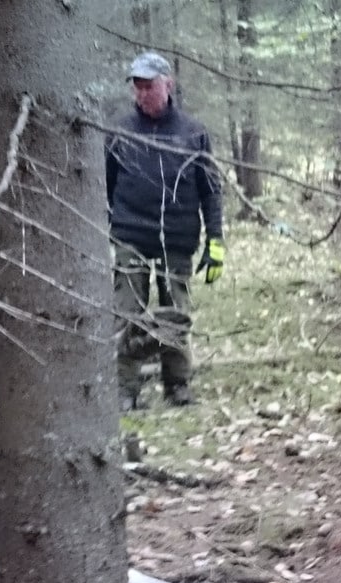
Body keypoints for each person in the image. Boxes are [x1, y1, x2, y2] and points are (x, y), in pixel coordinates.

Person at [105, 51, 225, 409]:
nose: (143, 93)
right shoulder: (118, 131)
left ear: (168, 85)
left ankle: (177, 384)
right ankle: (125, 389)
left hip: (178, 237)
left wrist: (215, 239)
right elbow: (104, 185)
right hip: (130, 235)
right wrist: (110, 226)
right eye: (137, 87)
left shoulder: (193, 133)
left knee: (176, 310)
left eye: (149, 86)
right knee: (127, 310)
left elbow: (210, 189)